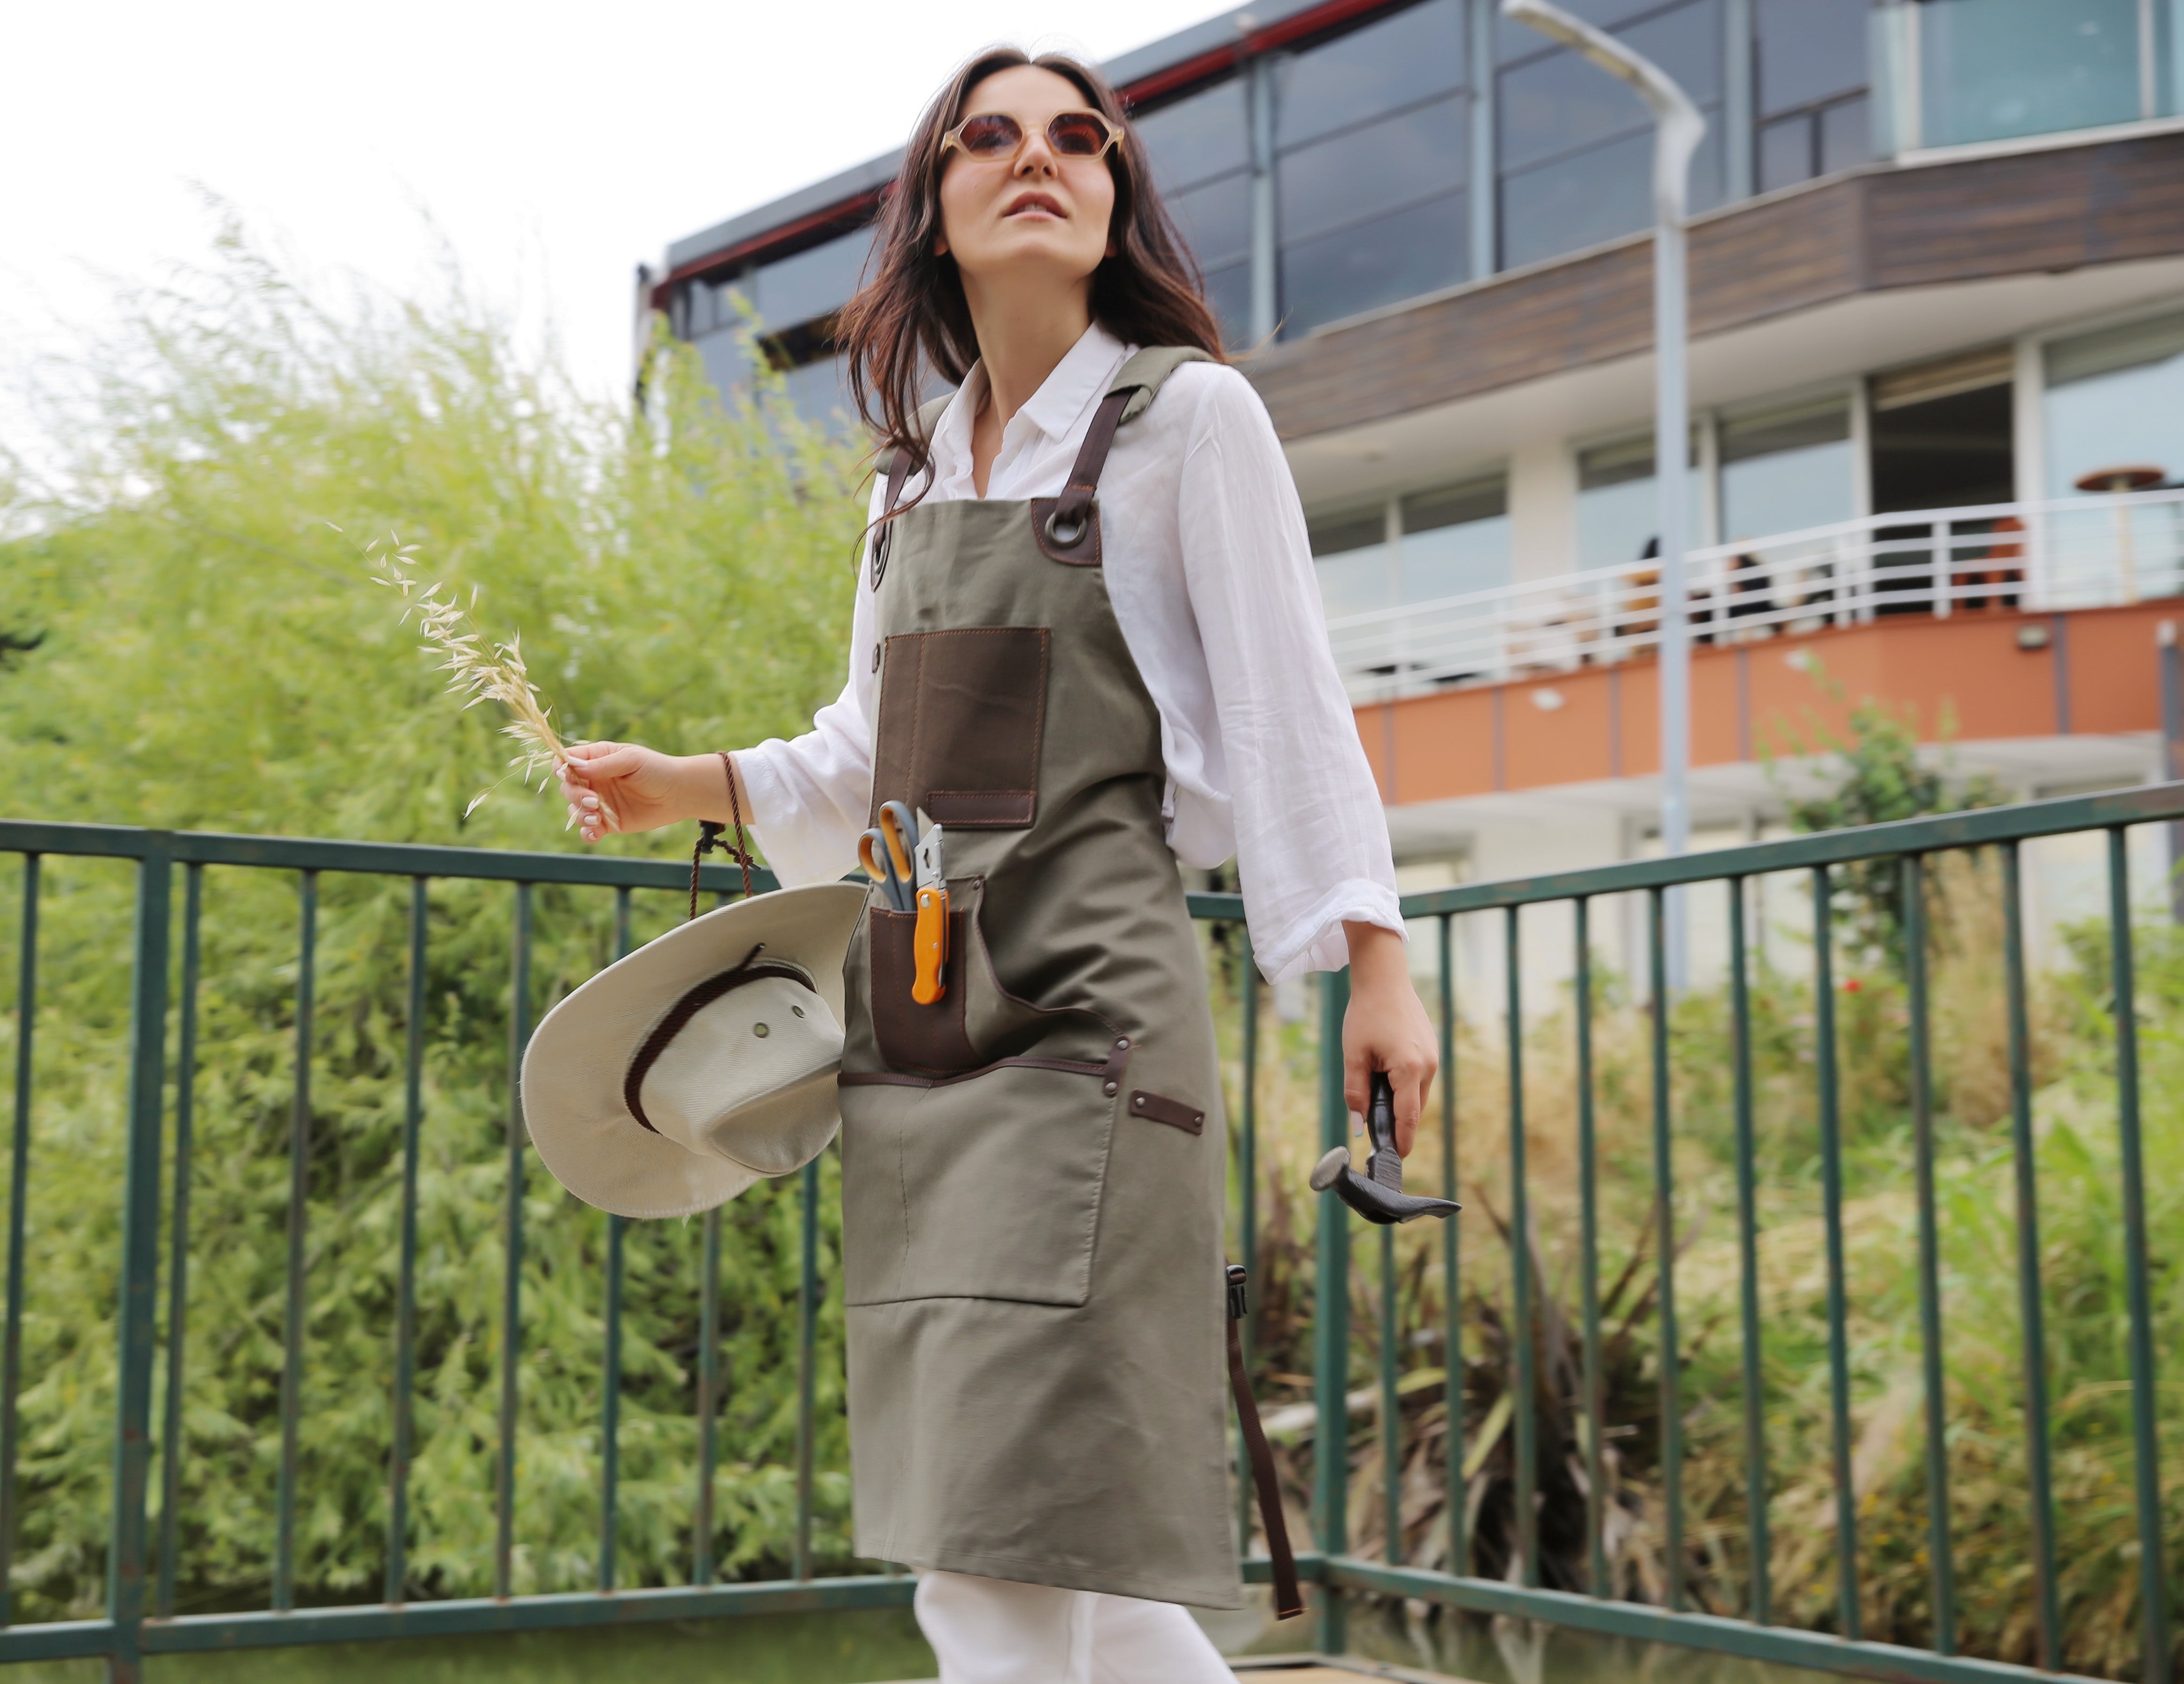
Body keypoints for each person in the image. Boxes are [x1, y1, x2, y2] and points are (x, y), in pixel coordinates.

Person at [557, 47, 1434, 1682]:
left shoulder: (1188, 418)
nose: (1039, 157)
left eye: (1077, 137)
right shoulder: (908, 483)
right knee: (1064, 1544)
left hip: (1088, 1030)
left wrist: (1371, 963)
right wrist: (683, 779)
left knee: (992, 1535)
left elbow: (1291, 706)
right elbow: (861, 761)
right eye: (991, 137)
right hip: (922, 1030)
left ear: (1112, 200)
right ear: (937, 211)